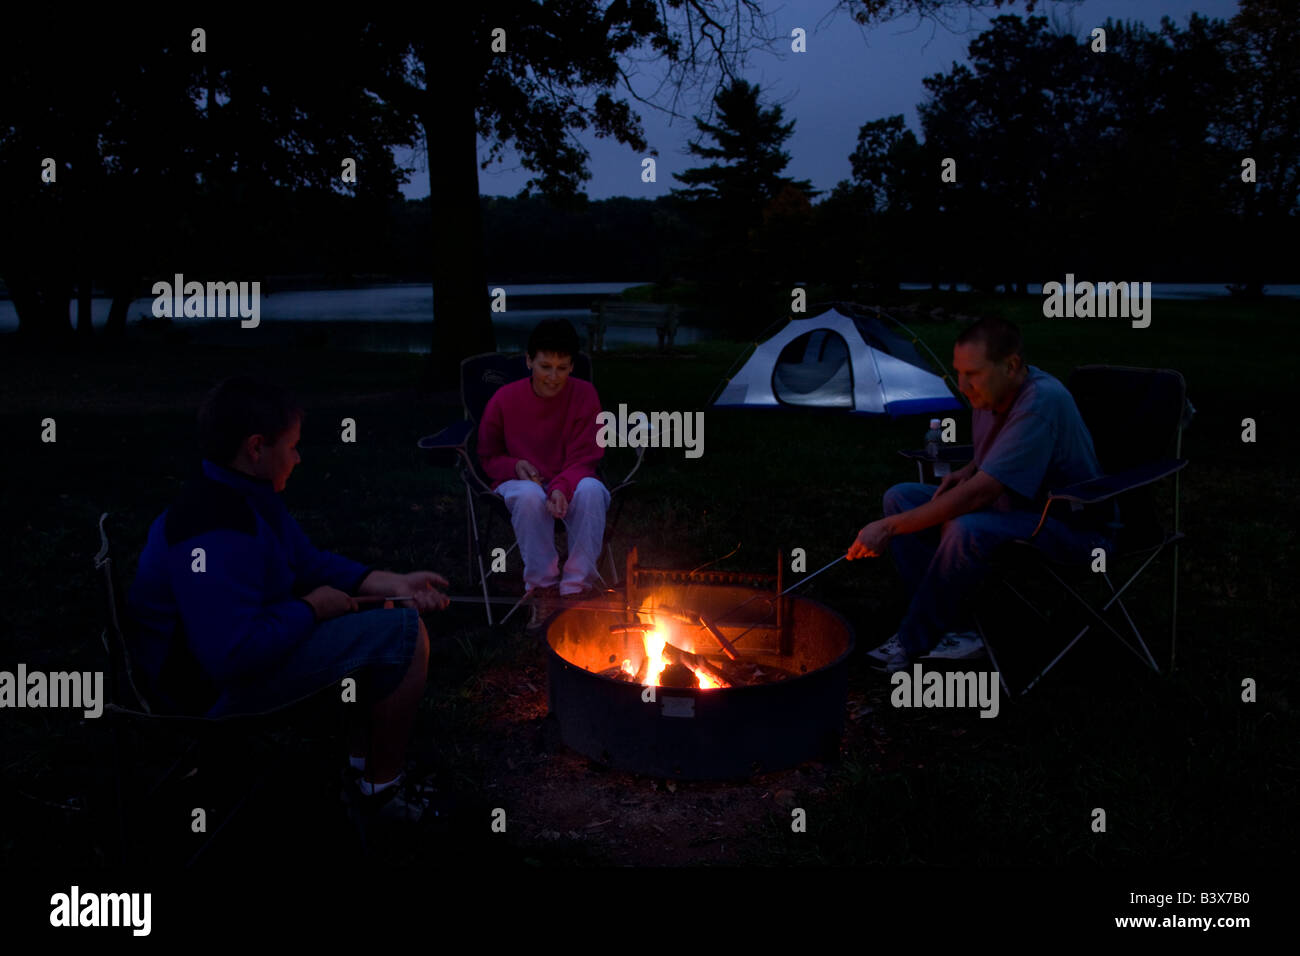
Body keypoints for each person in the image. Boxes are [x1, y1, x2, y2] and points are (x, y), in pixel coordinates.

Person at [128, 375, 450, 819]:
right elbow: (232, 654)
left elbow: (305, 562)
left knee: (390, 611)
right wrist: (312, 608)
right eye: (293, 446)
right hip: (204, 696)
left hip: (229, 662)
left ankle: (362, 770)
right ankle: (382, 791)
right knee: (403, 635)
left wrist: (390, 582)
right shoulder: (213, 529)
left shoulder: (245, 495)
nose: (298, 458)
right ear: (257, 448)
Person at [847, 315, 1114, 672]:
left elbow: (981, 496)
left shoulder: (1039, 403)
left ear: (1012, 365)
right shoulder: (993, 394)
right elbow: (995, 460)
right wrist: (970, 468)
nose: (962, 384)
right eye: (959, 372)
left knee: (964, 527)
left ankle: (914, 639)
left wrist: (890, 528)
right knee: (901, 496)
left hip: (1068, 524)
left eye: (972, 373)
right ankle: (955, 629)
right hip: (1014, 509)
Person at [477, 319, 609, 618]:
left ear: (572, 366)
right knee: (528, 496)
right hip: (520, 480)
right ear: (529, 361)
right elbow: (488, 456)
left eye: (562, 367)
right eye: (545, 366)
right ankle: (543, 587)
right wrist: (515, 464)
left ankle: (577, 588)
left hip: (572, 474)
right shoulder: (504, 400)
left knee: (591, 490)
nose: (552, 376)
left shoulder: (585, 395)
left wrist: (561, 487)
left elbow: (587, 455)